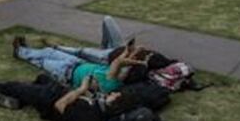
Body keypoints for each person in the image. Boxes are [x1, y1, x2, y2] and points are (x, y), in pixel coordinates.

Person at [12, 35, 145, 95]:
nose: (126, 68)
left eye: (127, 70)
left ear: (126, 76)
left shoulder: (112, 82)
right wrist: (133, 51)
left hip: (66, 73)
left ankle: (20, 51)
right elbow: (122, 62)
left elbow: (119, 62)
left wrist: (136, 59)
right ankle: (25, 51)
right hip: (76, 63)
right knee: (49, 51)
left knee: (42, 61)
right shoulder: (117, 74)